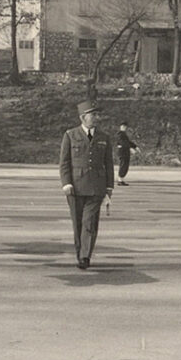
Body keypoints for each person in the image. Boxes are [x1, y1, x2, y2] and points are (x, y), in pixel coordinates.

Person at [59, 101, 114, 270]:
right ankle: (80, 253)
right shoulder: (70, 135)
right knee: (78, 224)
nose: (97, 118)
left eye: (98, 114)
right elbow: (64, 162)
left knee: (89, 222)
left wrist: (109, 188)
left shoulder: (104, 137)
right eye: (94, 115)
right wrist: (66, 183)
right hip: (75, 187)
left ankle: (85, 256)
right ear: (83, 117)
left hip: (96, 187)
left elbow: (109, 164)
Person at [116, 121, 139, 185]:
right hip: (123, 152)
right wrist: (130, 148)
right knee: (123, 165)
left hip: (125, 152)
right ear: (120, 127)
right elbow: (123, 143)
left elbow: (128, 142)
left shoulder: (123, 134)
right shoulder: (120, 134)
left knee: (125, 165)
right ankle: (120, 180)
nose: (124, 128)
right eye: (123, 126)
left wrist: (135, 146)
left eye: (125, 126)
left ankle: (121, 179)